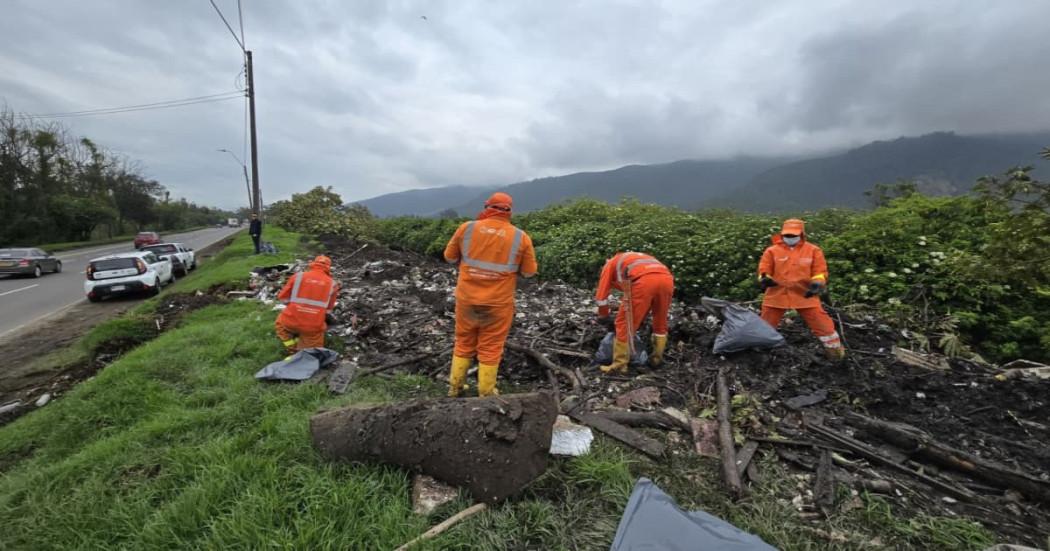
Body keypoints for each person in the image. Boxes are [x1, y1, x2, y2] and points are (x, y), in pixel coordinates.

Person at [443, 192, 537, 397]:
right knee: (491, 346)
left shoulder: (466, 228)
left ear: (487, 207)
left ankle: (455, 388)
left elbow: (449, 258)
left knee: (463, 341)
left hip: (466, 299)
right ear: (509, 211)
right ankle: (486, 392)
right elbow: (529, 273)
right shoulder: (521, 237)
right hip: (498, 303)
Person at [757, 218, 845, 360]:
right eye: (787, 235)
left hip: (805, 294)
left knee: (823, 325)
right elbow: (763, 270)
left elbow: (820, 271)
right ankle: (758, 356)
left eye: (793, 235)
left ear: (801, 234)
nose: (789, 238)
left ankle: (836, 355)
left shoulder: (813, 250)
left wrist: (817, 283)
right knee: (764, 327)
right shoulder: (772, 251)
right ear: (782, 234)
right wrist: (764, 279)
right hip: (776, 294)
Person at [594, 252, 675, 373]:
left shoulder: (609, 265)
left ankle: (619, 365)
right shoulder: (633, 259)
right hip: (667, 280)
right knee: (660, 321)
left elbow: (601, 297)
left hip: (644, 282)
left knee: (623, 323)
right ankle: (656, 359)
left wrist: (603, 314)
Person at [275, 255, 340, 354]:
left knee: (281, 324)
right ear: (328, 268)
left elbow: (282, 298)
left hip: (291, 320)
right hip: (313, 325)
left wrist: (295, 306)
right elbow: (328, 310)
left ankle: (292, 348)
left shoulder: (298, 276)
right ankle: (303, 349)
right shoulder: (333, 284)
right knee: (312, 352)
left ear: (313, 264)